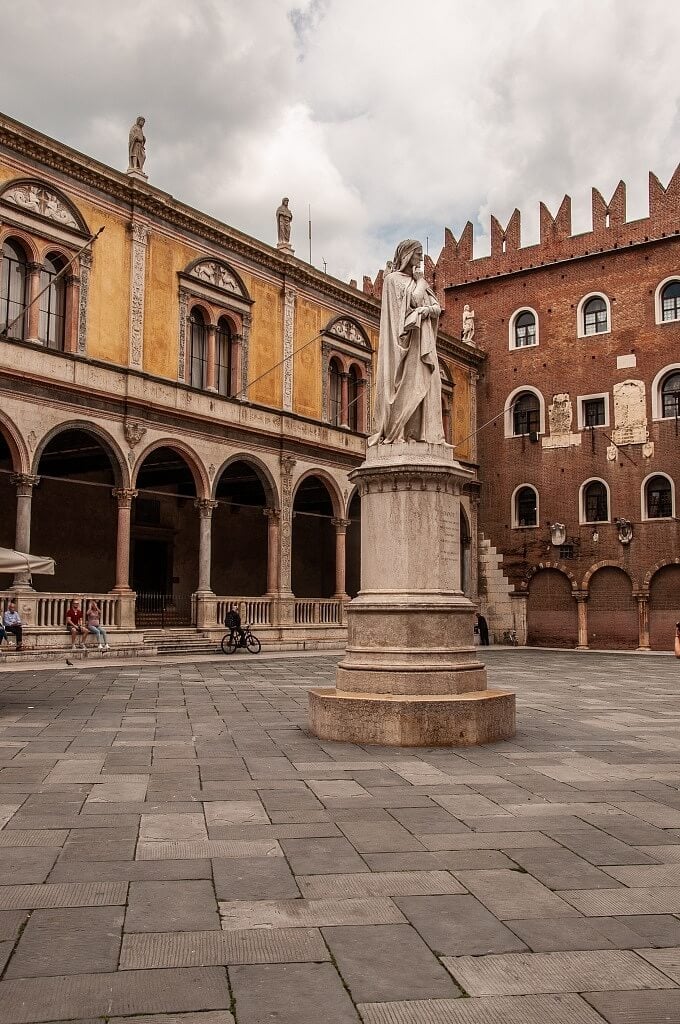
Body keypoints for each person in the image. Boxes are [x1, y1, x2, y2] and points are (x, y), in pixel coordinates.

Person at [369, 239, 446, 446]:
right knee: (407, 386)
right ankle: (399, 432)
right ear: (406, 255)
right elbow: (412, 302)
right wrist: (420, 284)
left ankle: (426, 435)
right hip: (406, 343)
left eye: (421, 254)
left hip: (424, 340)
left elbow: (436, 307)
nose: (421, 258)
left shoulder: (420, 282)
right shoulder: (393, 280)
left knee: (431, 384)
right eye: (418, 254)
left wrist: (426, 309)